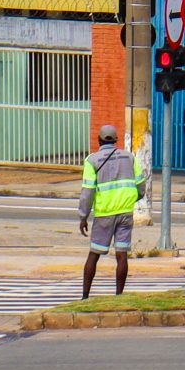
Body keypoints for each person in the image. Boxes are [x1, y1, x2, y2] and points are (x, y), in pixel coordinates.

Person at [78, 122, 142, 298]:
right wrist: (131, 199)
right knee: (122, 255)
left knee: (94, 254)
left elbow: (87, 191)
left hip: (104, 214)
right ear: (116, 140)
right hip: (125, 213)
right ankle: (119, 295)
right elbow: (141, 186)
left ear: (99, 140)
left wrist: (83, 216)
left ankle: (85, 296)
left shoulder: (92, 161)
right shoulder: (129, 158)